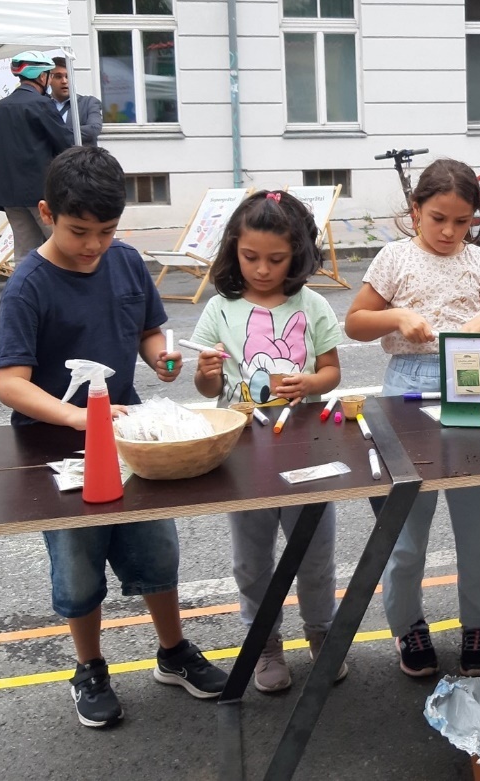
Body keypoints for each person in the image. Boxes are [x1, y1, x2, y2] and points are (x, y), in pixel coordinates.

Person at [0, 146, 225, 727]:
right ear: (46, 213)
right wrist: (79, 418)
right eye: (79, 231)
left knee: (155, 548)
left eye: (106, 230)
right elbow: (11, 384)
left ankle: (173, 651)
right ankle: (89, 665)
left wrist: (163, 359)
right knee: (77, 563)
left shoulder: (125, 262)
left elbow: (150, 330)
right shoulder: (28, 284)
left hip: (128, 436)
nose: (94, 244)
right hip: (56, 445)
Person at [344, 159, 480, 678]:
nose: (449, 231)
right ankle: (408, 625)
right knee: (403, 517)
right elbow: (355, 322)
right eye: (438, 217)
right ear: (416, 210)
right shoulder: (394, 258)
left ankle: (479, 624)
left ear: (474, 221)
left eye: (462, 221)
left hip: (470, 379)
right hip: (407, 384)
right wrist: (396, 316)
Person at [190, 190, 349, 692]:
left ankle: (322, 633)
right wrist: (205, 372)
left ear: (297, 255)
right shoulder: (220, 308)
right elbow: (210, 389)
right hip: (241, 452)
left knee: (316, 552)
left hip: (307, 448)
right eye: (250, 257)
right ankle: (265, 642)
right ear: (234, 250)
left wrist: (309, 384)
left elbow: (331, 372)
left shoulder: (313, 303)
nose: (262, 270)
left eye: (276, 259)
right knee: (250, 559)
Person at [0, 50, 74, 264]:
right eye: (49, 74)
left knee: (25, 252)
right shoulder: (41, 104)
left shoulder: (2, 105)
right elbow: (65, 143)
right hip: (40, 191)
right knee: (63, 246)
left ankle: (24, 295)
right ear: (41, 76)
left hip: (9, 193)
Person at [50, 58, 104, 147]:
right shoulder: (42, 103)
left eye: (68, 76)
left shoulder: (89, 103)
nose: (64, 81)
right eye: (58, 76)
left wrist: (55, 133)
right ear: (49, 80)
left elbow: (94, 129)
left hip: (79, 159)